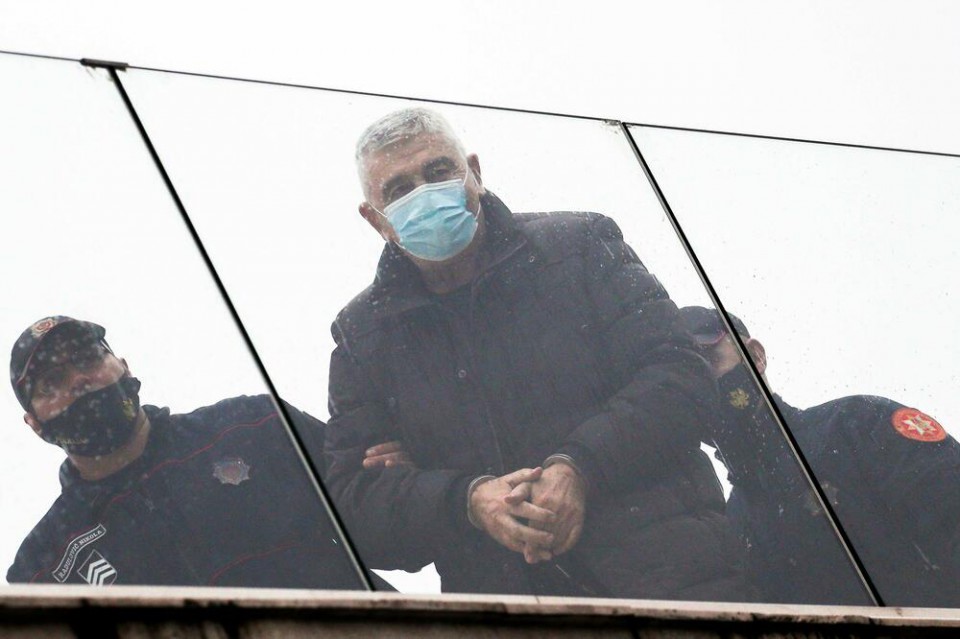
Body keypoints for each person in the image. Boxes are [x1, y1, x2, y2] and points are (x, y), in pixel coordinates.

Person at [324, 107, 751, 599]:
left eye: (439, 171)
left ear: (474, 172)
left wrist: (579, 467)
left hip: (678, 588)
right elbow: (356, 507)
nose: (424, 193)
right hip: (511, 615)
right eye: (399, 189)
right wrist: (467, 501)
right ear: (374, 219)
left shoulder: (580, 248)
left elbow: (681, 378)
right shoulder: (362, 335)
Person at [6, 315, 376, 589]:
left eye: (87, 359)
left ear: (124, 367)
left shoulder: (254, 425)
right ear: (34, 423)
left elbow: (382, 523)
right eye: (52, 383)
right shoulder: (42, 568)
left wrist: (392, 477)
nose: (78, 380)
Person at [680, 306, 960, 607]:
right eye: (686, 380)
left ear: (755, 356)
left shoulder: (860, 425)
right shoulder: (731, 522)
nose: (702, 386)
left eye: (708, 361)